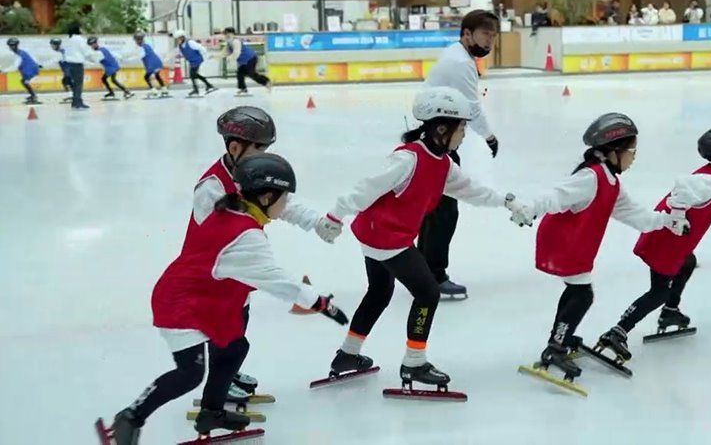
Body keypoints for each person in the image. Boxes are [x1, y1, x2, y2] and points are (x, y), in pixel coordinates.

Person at [101, 154, 349, 445]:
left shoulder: (236, 210)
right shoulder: (245, 236)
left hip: (207, 298)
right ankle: (130, 417)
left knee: (234, 348)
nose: (286, 206)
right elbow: (279, 281)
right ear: (267, 197)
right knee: (190, 373)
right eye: (285, 198)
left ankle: (211, 413)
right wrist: (322, 304)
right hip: (181, 303)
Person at [321, 86, 530, 391]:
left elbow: (473, 190)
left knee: (379, 292)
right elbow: (366, 188)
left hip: (375, 236)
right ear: (442, 128)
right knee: (428, 293)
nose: (464, 134)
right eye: (462, 128)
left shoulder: (443, 164)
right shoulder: (408, 159)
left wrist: (508, 200)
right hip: (387, 239)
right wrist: (334, 216)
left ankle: (347, 355)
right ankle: (414, 362)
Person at [520, 113, 690, 385]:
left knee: (577, 292)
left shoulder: (611, 183)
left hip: (578, 244)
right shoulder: (591, 176)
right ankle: (555, 347)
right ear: (614, 151)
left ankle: (559, 339)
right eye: (631, 151)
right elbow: (557, 196)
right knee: (581, 295)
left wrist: (667, 221)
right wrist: (530, 209)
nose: (634, 157)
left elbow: (639, 217)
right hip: (564, 243)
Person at [194, 106, 340, 400]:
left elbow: (281, 201)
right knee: (224, 329)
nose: (264, 157)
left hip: (243, 266)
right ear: (235, 147)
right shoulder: (211, 187)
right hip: (216, 270)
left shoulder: (253, 172)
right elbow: (209, 236)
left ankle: (228, 375)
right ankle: (218, 387)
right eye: (258, 149)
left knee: (239, 320)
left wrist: (315, 222)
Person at [596, 125, 711, 360]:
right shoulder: (709, 181)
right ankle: (617, 331)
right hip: (666, 241)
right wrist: (678, 217)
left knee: (687, 263)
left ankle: (670, 311)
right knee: (658, 292)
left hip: (671, 242)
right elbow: (682, 188)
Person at [418, 9, 501, 300]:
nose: (490, 41)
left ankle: (424, 271)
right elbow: (470, 106)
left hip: (434, 137)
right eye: (484, 34)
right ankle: (434, 276)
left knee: (435, 210)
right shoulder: (461, 64)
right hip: (435, 141)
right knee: (443, 211)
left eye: (493, 36)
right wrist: (489, 136)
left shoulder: (458, 55)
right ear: (467, 34)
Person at [220, 27, 270, 96]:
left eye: (226, 33)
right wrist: (214, 56)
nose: (225, 35)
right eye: (224, 34)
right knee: (240, 73)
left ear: (231, 34)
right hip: (244, 60)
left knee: (251, 74)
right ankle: (243, 89)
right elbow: (224, 53)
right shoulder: (229, 42)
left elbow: (236, 52)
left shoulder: (235, 41)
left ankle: (266, 81)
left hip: (250, 58)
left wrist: (230, 58)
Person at [172, 29, 216, 97]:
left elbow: (202, 48)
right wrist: (180, 56)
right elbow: (185, 53)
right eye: (176, 39)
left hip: (197, 60)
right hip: (192, 61)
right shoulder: (181, 46)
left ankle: (197, 89)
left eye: (178, 38)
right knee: (194, 75)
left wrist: (205, 56)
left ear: (182, 37)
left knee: (192, 75)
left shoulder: (190, 43)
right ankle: (208, 85)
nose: (177, 40)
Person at [126, 32, 169, 97]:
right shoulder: (147, 45)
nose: (135, 42)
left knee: (146, 77)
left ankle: (154, 91)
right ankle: (164, 90)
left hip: (151, 64)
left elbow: (138, 57)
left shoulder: (141, 48)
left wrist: (127, 60)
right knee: (157, 76)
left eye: (136, 40)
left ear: (138, 40)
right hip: (157, 62)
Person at [1, 37, 42, 104]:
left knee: (25, 82)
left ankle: (34, 96)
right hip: (31, 69)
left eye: (12, 45)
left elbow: (15, 67)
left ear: (16, 45)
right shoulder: (20, 52)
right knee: (23, 81)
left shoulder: (19, 54)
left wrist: (3, 70)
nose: (11, 47)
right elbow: (32, 57)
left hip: (30, 70)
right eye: (10, 46)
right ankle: (33, 95)